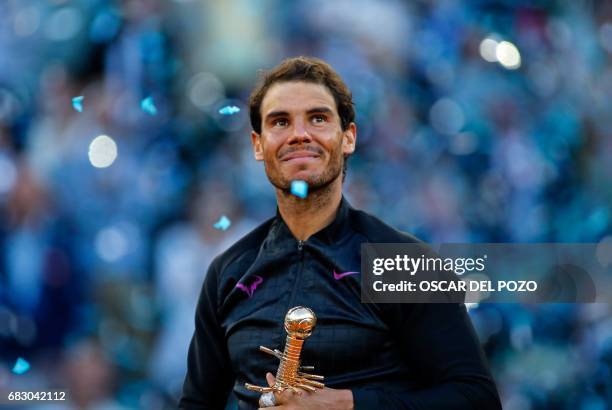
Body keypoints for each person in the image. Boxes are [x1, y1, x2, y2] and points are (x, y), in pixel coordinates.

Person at [179, 56, 501, 409]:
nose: (299, 134)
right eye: (280, 121)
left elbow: (476, 398)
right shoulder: (229, 271)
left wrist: (349, 404)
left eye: (318, 118)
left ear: (348, 137)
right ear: (258, 145)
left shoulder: (405, 264)